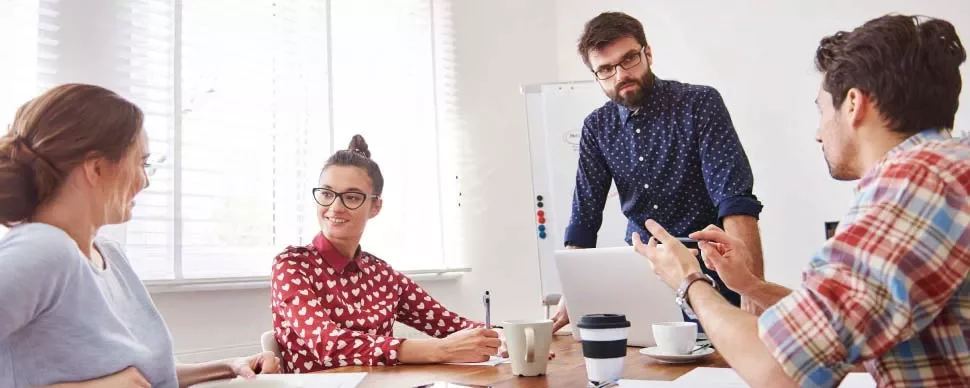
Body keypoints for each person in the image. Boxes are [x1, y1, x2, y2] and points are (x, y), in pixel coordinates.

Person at [637, 14, 969, 387]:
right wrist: (750, 286)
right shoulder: (945, 170)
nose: (818, 132)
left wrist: (688, 280)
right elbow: (839, 329)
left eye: (821, 109)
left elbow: (778, 371)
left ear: (854, 104)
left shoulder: (917, 185)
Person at [0, 84, 280, 387]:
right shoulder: (42, 250)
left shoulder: (109, 254)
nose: (144, 181)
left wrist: (229, 366)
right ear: (96, 168)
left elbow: (143, 377)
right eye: (141, 163)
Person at [553, 11, 766, 333]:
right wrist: (570, 293)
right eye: (606, 69)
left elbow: (734, 199)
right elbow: (585, 216)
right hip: (643, 275)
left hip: (710, 267)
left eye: (629, 60)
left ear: (647, 53)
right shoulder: (597, 127)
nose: (620, 75)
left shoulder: (699, 103)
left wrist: (752, 286)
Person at [270, 135, 502, 373]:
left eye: (351, 197)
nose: (335, 207)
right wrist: (440, 350)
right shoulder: (292, 265)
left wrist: (510, 339)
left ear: (376, 207)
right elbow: (328, 344)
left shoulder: (382, 274)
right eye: (327, 194)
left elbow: (450, 324)